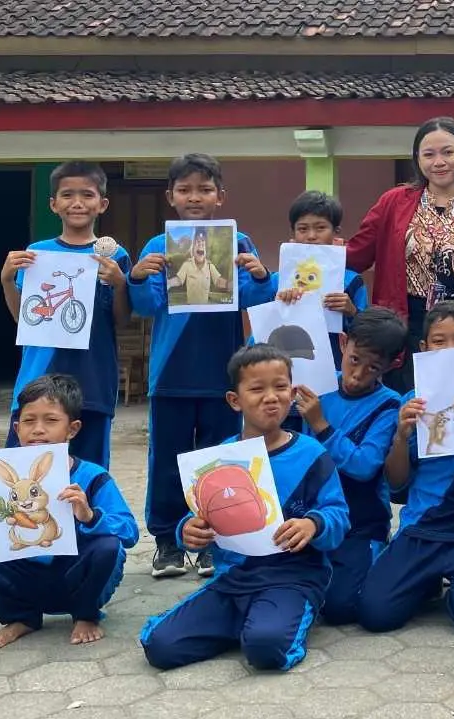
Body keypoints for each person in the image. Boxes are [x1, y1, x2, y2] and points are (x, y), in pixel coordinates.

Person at [140, 344, 350, 671]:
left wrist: (313, 524)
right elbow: (197, 517)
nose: (271, 397)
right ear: (234, 400)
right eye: (256, 389)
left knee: (267, 651)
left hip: (292, 577)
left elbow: (338, 514)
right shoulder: (218, 459)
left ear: (292, 392)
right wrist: (187, 531)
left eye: (280, 387)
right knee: (160, 647)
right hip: (233, 578)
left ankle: (272, 622)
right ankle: (250, 621)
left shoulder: (311, 453)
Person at [127, 153, 278, 579]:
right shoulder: (158, 247)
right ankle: (167, 542)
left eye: (204, 189)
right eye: (186, 189)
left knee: (223, 459)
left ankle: (218, 538)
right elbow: (147, 305)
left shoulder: (237, 242)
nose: (195, 197)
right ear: (170, 196)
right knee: (167, 461)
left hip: (223, 375)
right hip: (170, 376)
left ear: (220, 196)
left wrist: (261, 275)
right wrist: (138, 277)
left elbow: (255, 298)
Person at [0, 374, 139, 648]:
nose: (38, 429)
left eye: (50, 420)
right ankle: (21, 617)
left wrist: (89, 516)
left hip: (74, 577)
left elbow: (129, 532)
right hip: (21, 578)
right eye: (28, 421)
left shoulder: (93, 477)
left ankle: (85, 615)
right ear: (16, 428)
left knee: (108, 547)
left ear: (72, 429)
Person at [356, 301, 454, 637]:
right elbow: (397, 483)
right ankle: (424, 583)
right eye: (439, 342)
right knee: (374, 614)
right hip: (422, 528)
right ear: (424, 349)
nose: (451, 349)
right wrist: (401, 435)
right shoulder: (414, 401)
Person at [346, 117, 454, 393]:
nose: (438, 162)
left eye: (448, 152)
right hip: (405, 321)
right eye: (429, 154)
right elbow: (356, 255)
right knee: (409, 401)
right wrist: (311, 253)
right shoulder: (393, 202)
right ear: (417, 159)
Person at [0, 161, 131, 469]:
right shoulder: (35, 253)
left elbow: (121, 320)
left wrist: (121, 284)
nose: (77, 203)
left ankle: (86, 518)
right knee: (27, 471)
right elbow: (23, 321)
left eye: (87, 195)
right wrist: (6, 280)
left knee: (88, 472)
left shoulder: (114, 255)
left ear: (102, 203)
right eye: (67, 195)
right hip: (38, 376)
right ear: (53, 204)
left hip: (94, 380)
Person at [294, 307, 408, 625]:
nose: (358, 375)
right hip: (311, 516)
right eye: (354, 360)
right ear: (343, 343)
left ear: (391, 365)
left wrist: (321, 425)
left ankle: (382, 556)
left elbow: (363, 466)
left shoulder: (389, 405)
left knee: (341, 608)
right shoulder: (316, 385)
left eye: (373, 368)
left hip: (360, 523)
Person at [275, 190, 369, 369]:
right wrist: (279, 303)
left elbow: (368, 332)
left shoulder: (351, 280)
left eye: (320, 228)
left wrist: (351, 311)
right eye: (303, 229)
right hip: (290, 362)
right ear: (293, 234)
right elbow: (267, 322)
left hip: (335, 364)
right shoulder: (280, 278)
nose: (311, 236)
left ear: (336, 232)